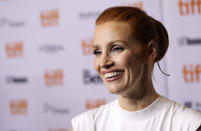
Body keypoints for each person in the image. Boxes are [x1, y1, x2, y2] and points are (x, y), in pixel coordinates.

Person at [70, 6, 201, 131]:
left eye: (116, 48)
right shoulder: (85, 125)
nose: (103, 62)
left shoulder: (189, 125)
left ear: (150, 52)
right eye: (97, 52)